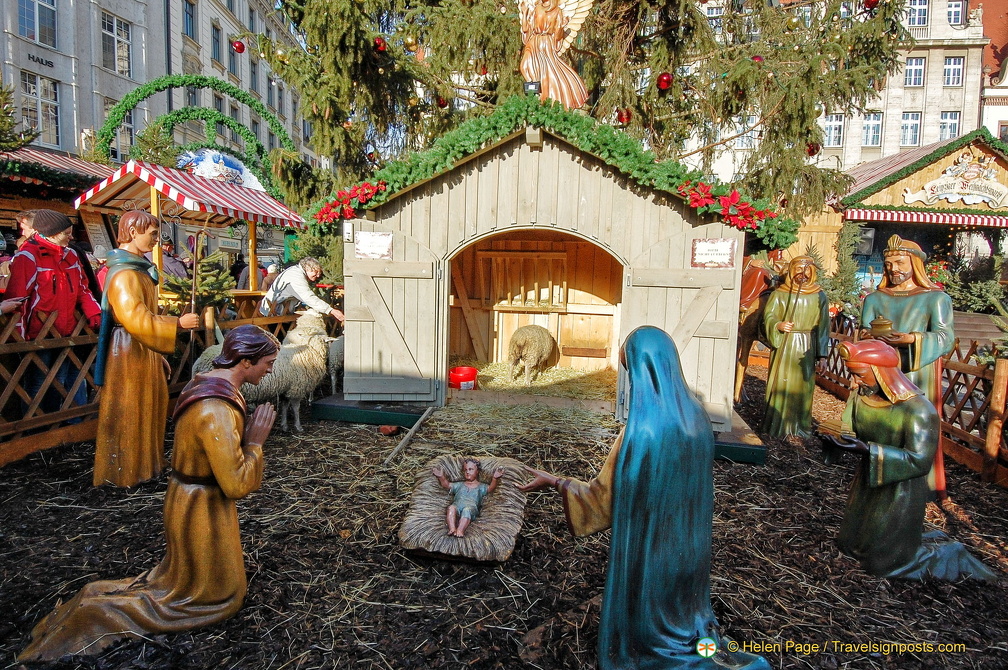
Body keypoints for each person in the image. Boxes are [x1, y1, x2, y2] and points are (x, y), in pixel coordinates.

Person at [19, 325, 280, 662]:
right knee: (211, 596)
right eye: (268, 362)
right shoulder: (217, 408)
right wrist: (256, 444)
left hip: (190, 498)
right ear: (245, 361)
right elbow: (236, 484)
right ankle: (94, 614)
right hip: (201, 508)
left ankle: (95, 598)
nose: (271, 369)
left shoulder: (205, 383)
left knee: (187, 581)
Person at [519, 326, 770, 670]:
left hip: (651, 555)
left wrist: (555, 482)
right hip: (690, 549)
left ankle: (663, 649)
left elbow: (603, 501)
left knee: (656, 634)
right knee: (686, 617)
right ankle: (702, 645)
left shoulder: (641, 432)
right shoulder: (697, 416)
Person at [818, 340, 994, 580]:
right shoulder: (861, 397)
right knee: (851, 545)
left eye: (859, 375)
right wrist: (834, 438)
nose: (855, 381)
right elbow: (851, 431)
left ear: (882, 373)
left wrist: (868, 450)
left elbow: (920, 460)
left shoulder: (918, 410)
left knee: (883, 563)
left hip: (899, 490)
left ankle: (953, 554)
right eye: (852, 375)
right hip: (868, 481)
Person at [93, 210, 201, 488]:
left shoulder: (138, 270)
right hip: (128, 351)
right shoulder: (124, 275)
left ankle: (147, 466)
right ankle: (126, 471)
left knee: (148, 408)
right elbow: (135, 318)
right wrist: (177, 323)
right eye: (152, 233)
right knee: (131, 410)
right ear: (132, 233)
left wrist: (156, 357)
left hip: (142, 349)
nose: (156, 239)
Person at [859, 235, 954, 495]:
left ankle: (922, 483)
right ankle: (880, 471)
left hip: (917, 371)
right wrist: (870, 336)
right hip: (883, 371)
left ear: (915, 263)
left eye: (900, 262)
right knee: (885, 424)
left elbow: (946, 339)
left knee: (916, 427)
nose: (893, 269)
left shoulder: (935, 298)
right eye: (888, 264)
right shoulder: (875, 299)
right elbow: (862, 332)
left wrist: (911, 338)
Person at [5, 210, 102, 414]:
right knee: (38, 383)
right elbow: (17, 298)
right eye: (67, 233)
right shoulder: (28, 256)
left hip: (68, 330)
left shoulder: (71, 254)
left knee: (65, 379)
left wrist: (95, 314)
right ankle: (37, 429)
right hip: (39, 334)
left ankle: (61, 427)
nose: (72, 237)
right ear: (51, 233)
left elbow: (83, 289)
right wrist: (18, 333)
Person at [760, 256, 830, 438]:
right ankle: (777, 425)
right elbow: (768, 316)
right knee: (781, 382)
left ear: (813, 272)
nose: (802, 273)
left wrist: (822, 355)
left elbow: (823, 327)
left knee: (804, 387)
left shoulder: (819, 295)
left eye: (807, 270)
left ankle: (801, 426)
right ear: (791, 271)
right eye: (798, 269)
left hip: (806, 345)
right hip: (785, 344)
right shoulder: (780, 293)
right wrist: (778, 325)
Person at [519, 0, 589, 109]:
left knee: (545, 74)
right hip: (533, 42)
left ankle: (541, 99)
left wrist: (561, 26)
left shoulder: (557, 11)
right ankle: (534, 94)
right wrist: (524, 13)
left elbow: (557, 37)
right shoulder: (537, 8)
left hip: (546, 44)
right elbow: (526, 29)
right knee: (524, 67)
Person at [432, 458, 505, 537]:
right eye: (465, 470)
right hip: (457, 506)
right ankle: (452, 528)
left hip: (471, 509)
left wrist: (495, 478)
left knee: (466, 510)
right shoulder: (460, 485)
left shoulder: (481, 486)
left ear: (477, 471)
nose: (467, 472)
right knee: (451, 508)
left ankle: (460, 530)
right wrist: (441, 477)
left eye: (470, 469)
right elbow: (447, 485)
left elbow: (490, 488)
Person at [257, 257, 344, 321]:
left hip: (279, 313)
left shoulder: (297, 272)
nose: (318, 275)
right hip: (273, 313)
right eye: (316, 272)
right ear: (307, 268)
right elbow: (308, 297)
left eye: (319, 273)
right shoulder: (295, 276)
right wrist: (331, 310)